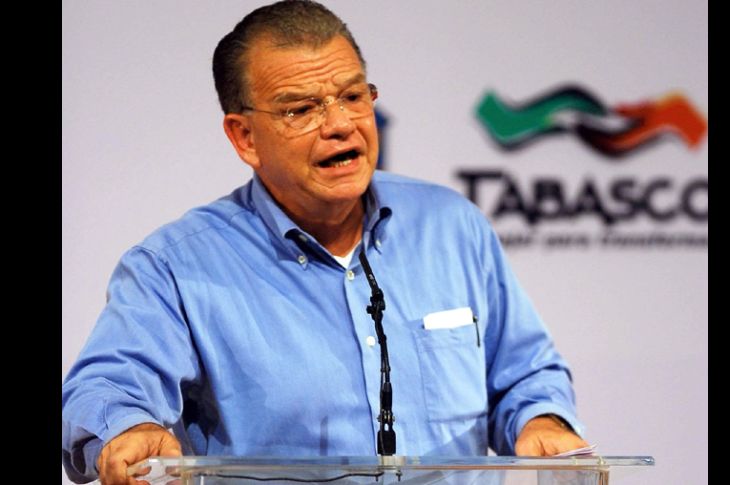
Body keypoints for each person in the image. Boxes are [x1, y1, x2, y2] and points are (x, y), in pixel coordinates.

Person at [62, 1, 589, 483]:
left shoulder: (452, 227)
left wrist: (540, 419)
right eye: (301, 109)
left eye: (353, 97)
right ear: (245, 136)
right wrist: (129, 430)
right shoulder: (175, 267)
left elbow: (524, 372)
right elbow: (103, 389)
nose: (340, 124)